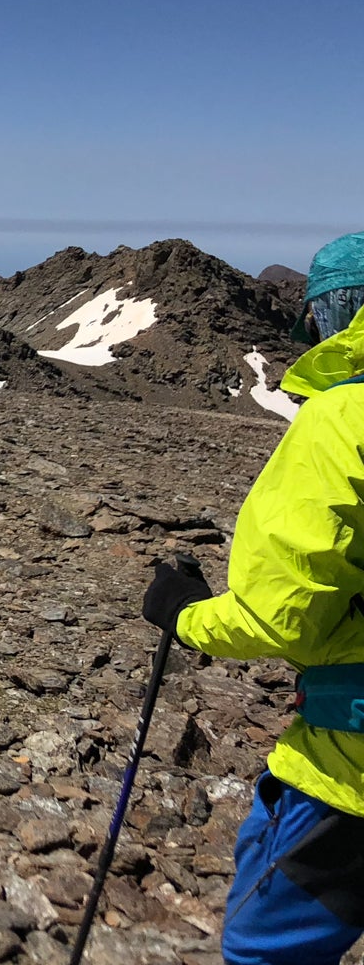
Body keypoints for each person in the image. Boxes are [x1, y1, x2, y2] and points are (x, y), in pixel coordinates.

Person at [144, 230, 364, 965]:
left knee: (265, 950)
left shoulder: (344, 420)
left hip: (349, 773)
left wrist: (184, 612)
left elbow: (283, 615)